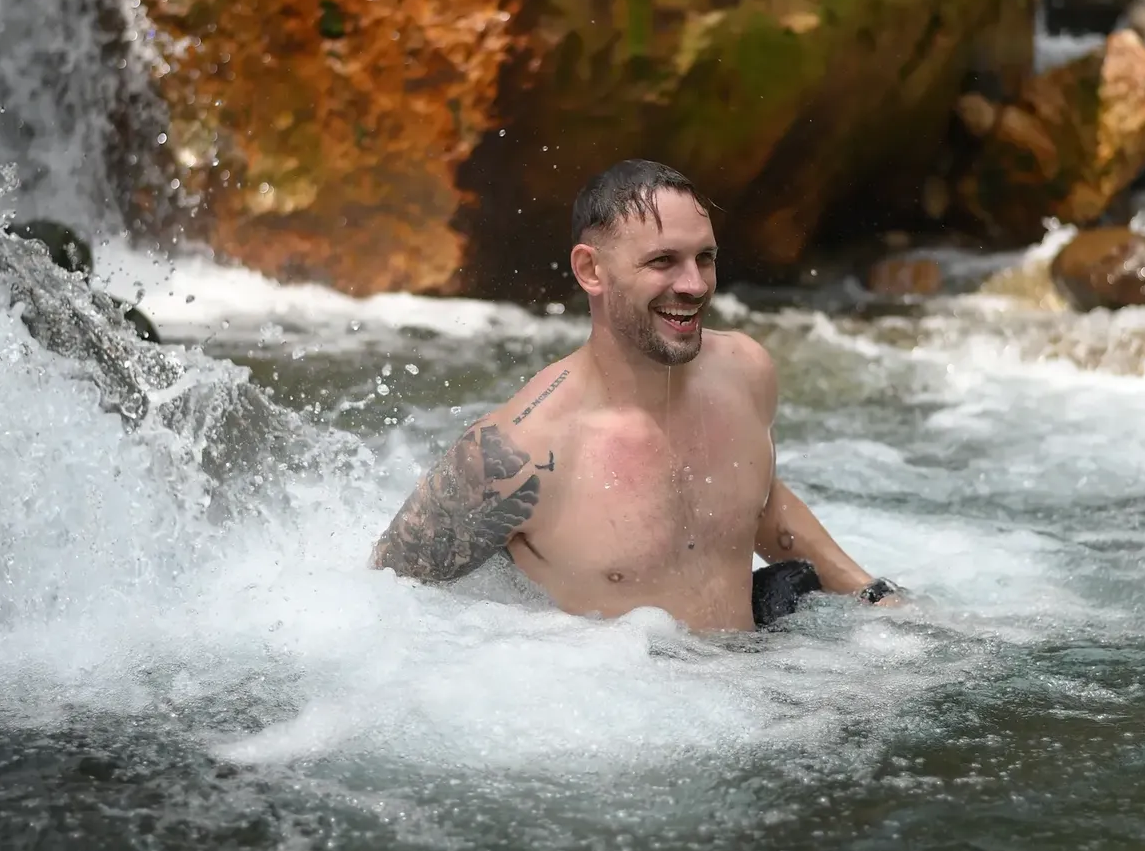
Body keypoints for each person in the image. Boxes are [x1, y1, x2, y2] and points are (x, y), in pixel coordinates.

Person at [371, 160, 900, 631]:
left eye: (706, 258)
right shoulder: (515, 455)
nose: (694, 285)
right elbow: (382, 599)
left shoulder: (744, 370)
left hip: (757, 691)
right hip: (630, 720)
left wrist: (871, 593)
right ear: (590, 270)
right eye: (663, 261)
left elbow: (758, 504)